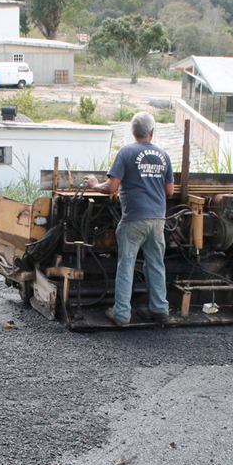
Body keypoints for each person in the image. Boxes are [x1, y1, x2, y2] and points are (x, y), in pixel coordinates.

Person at [83, 111, 174, 327]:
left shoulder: (125, 153)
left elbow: (112, 187)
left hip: (134, 218)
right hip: (157, 219)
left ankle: (122, 314)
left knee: (127, 263)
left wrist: (95, 185)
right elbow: (170, 191)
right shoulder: (164, 156)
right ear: (152, 132)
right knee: (156, 263)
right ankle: (160, 309)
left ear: (133, 132)